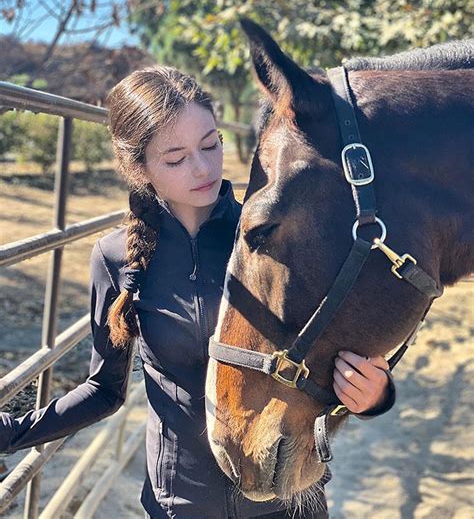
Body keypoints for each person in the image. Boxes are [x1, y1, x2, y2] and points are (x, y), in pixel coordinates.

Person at [0, 66, 395, 518]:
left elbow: (333, 364)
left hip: (285, 496)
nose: (204, 168)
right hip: (180, 503)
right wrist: (11, 433)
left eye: (211, 145)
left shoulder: (275, 237)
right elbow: (104, 390)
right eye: (176, 157)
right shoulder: (115, 258)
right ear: (138, 167)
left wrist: (375, 395)